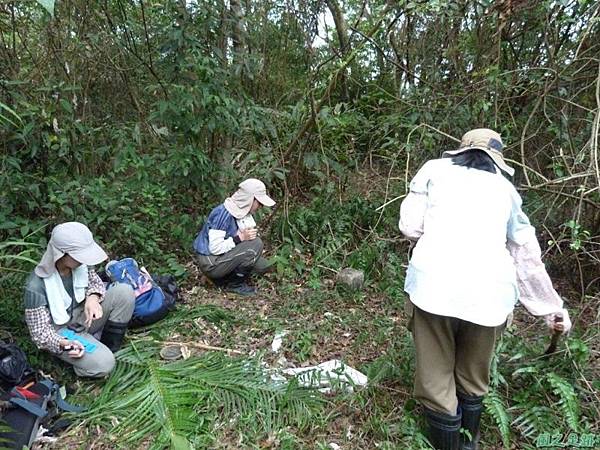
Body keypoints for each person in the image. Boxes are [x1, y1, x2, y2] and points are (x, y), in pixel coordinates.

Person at [398, 129, 572, 450]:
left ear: (461, 150)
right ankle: (469, 443)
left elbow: (410, 226)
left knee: (437, 381)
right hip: (490, 294)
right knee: (473, 376)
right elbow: (525, 253)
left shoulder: (433, 171)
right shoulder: (506, 190)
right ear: (498, 158)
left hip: (433, 286)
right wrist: (550, 308)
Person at [24, 222, 135, 378]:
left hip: (84, 318)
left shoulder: (80, 266)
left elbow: (95, 283)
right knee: (105, 364)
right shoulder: (36, 286)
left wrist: (93, 298)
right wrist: (64, 344)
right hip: (63, 333)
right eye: (79, 255)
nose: (84, 260)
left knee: (124, 291)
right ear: (60, 253)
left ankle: (110, 347)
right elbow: (40, 334)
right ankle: (87, 362)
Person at [193, 178, 275, 296]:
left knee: (262, 266)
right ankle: (234, 284)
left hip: (224, 254)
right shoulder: (223, 214)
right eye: (259, 203)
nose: (260, 207)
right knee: (256, 245)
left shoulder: (241, 211)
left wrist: (244, 235)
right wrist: (240, 238)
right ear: (250, 199)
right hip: (212, 262)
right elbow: (215, 248)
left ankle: (225, 278)